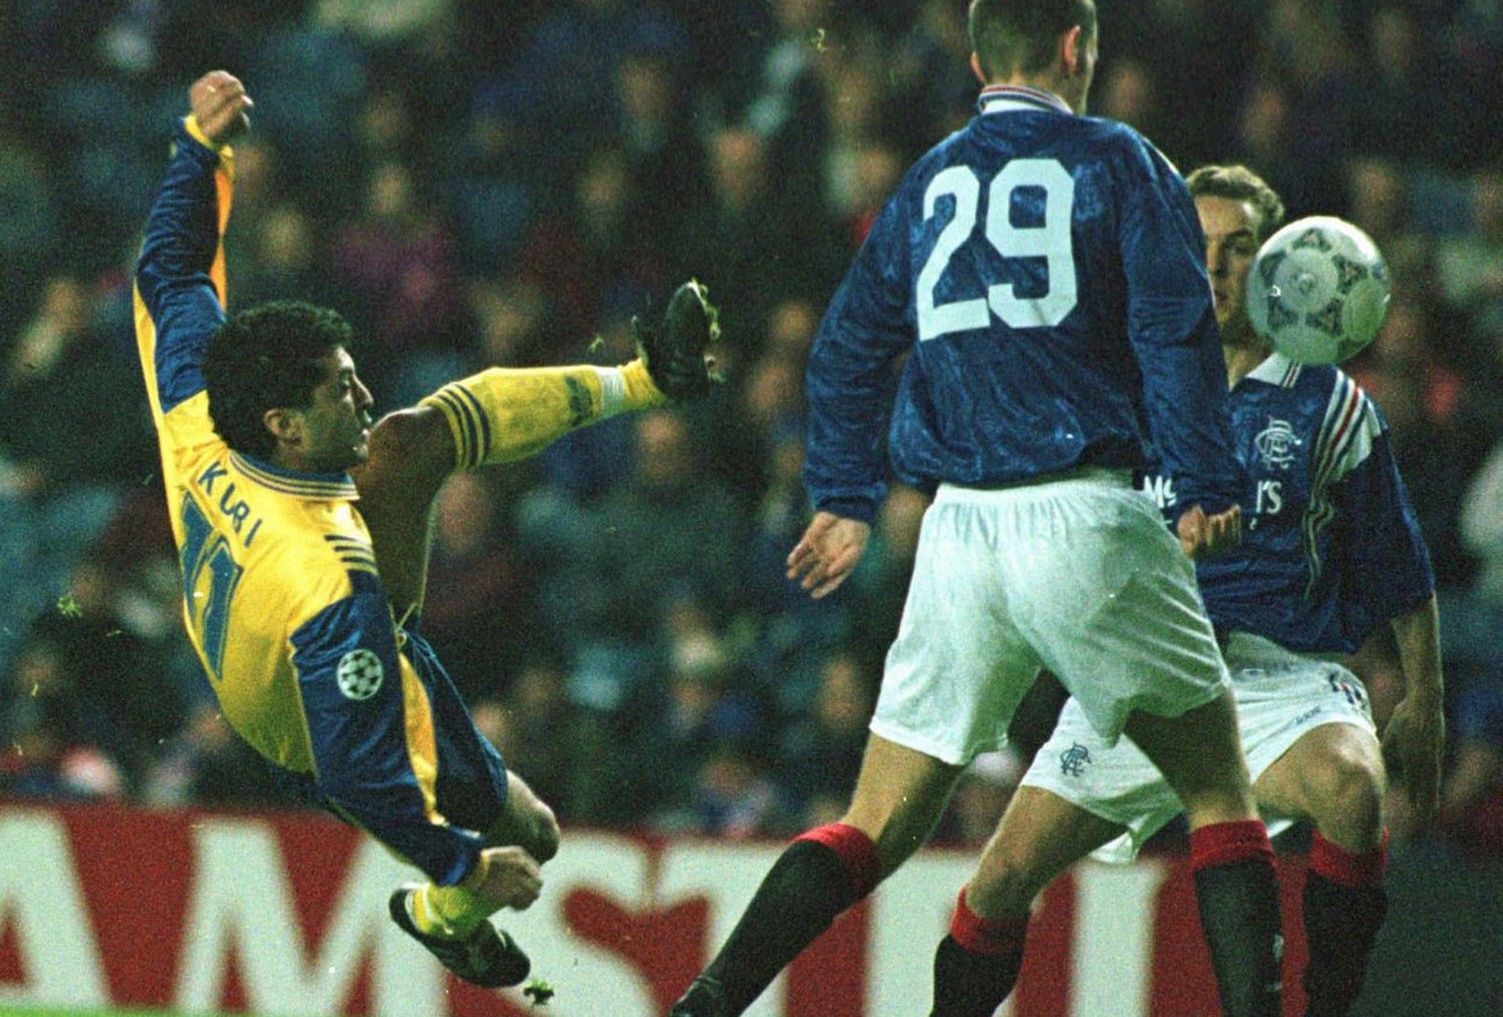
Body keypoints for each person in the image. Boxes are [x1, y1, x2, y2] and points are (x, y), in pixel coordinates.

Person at [670, 3, 1282, 1016]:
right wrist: (1208, 482)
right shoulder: (1121, 160)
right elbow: (1177, 334)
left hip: (955, 535)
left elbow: (848, 347)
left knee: (874, 822)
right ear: (1079, 47)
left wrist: (846, 497)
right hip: (1085, 515)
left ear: (972, 59)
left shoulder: (927, 181)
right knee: (1218, 788)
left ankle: (706, 1002)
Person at [134, 71, 716, 989]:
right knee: (528, 834)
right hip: (291, 709)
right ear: (285, 425)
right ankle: (442, 916)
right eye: (339, 388)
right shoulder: (333, 583)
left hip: (262, 620)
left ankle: (648, 380)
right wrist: (459, 868)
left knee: (405, 441)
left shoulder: (202, 398)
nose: (361, 389)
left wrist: (201, 146)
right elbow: (355, 775)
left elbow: (168, 269)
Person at [939, 164, 1445, 1017]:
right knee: (1000, 877)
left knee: (1355, 787)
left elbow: (1399, 561)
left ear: (1278, 264)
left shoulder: (1330, 404)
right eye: (1198, 248)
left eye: (1238, 248)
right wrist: (1163, 545)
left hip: (1278, 676)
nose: (1215, 268)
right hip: (1140, 677)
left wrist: (1425, 696)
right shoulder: (1127, 386)